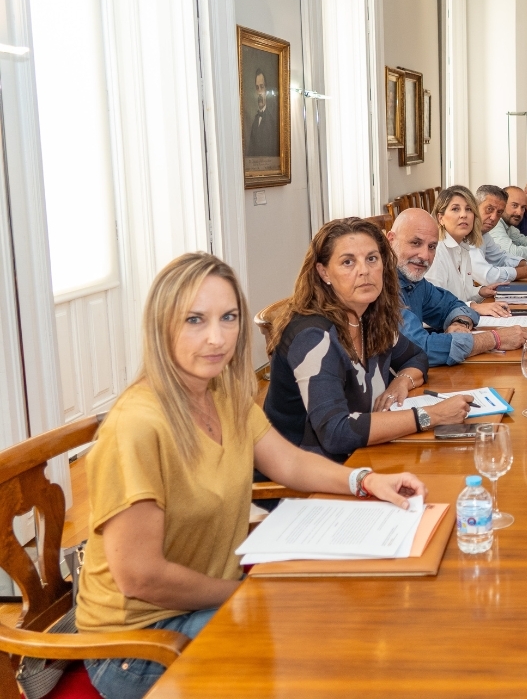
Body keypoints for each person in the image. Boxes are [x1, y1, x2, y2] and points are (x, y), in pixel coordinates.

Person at [76, 252, 430, 699]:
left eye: (228, 317)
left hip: (209, 598)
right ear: (160, 326)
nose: (216, 337)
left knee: (345, 625)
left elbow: (289, 462)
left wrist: (364, 480)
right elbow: (141, 577)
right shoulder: (136, 427)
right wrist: (243, 594)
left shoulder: (220, 390)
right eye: (194, 320)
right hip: (138, 641)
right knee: (312, 662)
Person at [263, 217, 472, 462]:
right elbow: (336, 432)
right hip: (307, 477)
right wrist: (430, 415)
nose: (364, 271)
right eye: (348, 262)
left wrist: (400, 383)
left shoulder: (371, 316)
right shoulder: (312, 336)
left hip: (363, 455)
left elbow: (416, 356)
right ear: (323, 272)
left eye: (372, 259)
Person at [389, 208, 527, 366]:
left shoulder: (414, 280)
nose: (425, 256)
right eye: (415, 243)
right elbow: (419, 349)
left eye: (432, 247)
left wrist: (460, 323)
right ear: (390, 240)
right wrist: (493, 339)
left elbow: (452, 304)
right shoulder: (384, 287)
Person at [424, 185, 512, 314]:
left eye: (469, 209)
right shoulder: (436, 251)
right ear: (440, 218)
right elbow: (434, 305)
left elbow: (461, 294)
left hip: (460, 320)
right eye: (455, 209)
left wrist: (481, 291)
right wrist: (474, 307)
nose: (463, 215)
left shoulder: (463, 247)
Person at [474, 184, 527, 284]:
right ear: (475, 207)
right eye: (489, 209)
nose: (494, 217)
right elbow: (489, 276)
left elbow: (501, 258)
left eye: (499, 212)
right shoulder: (468, 234)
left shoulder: (484, 234)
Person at [244, 68, 278, 157]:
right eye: (257, 88)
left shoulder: (272, 120)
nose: (259, 92)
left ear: (266, 90)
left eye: (262, 87)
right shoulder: (255, 121)